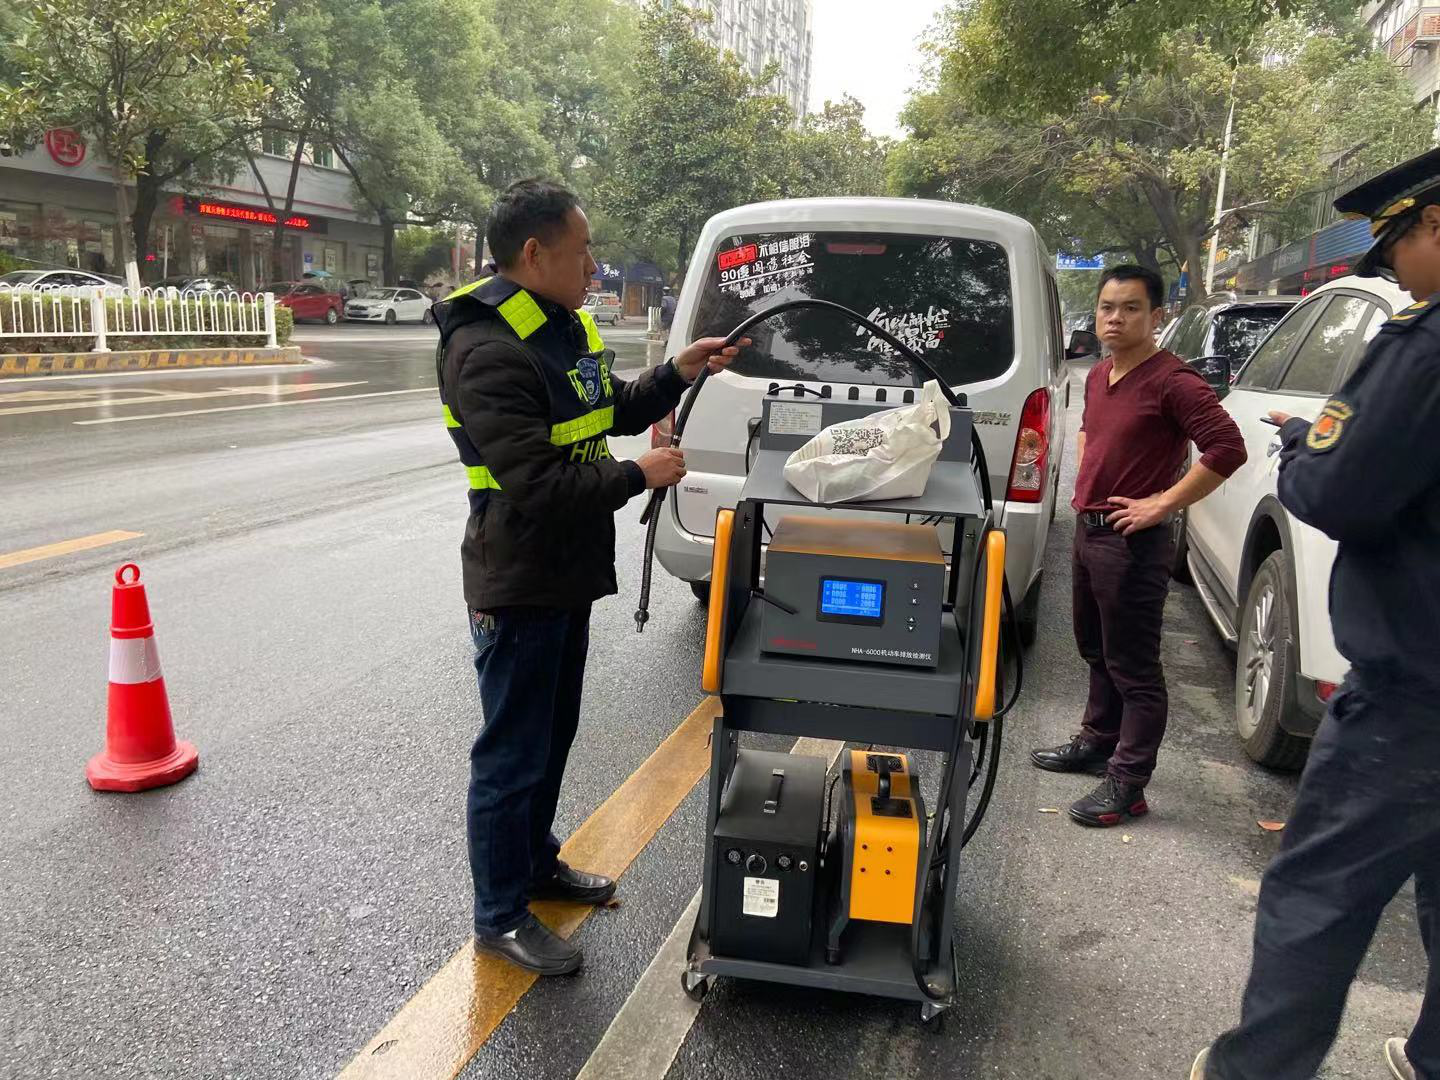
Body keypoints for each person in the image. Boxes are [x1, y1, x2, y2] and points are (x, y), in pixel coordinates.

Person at [433, 179, 746, 977]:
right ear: (533, 253)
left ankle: (535, 867)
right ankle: (499, 915)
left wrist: (677, 371)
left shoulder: (561, 327)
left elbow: (610, 408)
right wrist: (640, 475)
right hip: (517, 580)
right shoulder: (486, 349)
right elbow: (537, 485)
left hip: (564, 574)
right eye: (582, 252)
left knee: (549, 741)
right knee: (511, 756)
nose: (594, 266)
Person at [1194, 149, 1440, 1080]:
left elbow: (1343, 493)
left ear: (1435, 224)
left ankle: (1254, 1070)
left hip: (1415, 692)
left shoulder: (1423, 345)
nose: (1393, 273)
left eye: (1395, 246)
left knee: (1317, 892)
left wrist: (1302, 452)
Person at [1030, 265, 1246, 827]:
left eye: (1130, 308)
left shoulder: (1175, 381)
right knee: (1096, 649)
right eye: (1107, 307)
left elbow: (1227, 447)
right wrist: (1087, 485)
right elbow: (1091, 432)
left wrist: (1162, 503)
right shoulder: (1101, 374)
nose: (1115, 318)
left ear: (1156, 316)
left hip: (1132, 543)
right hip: (1090, 530)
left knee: (1134, 667)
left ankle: (1129, 782)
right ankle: (1097, 742)